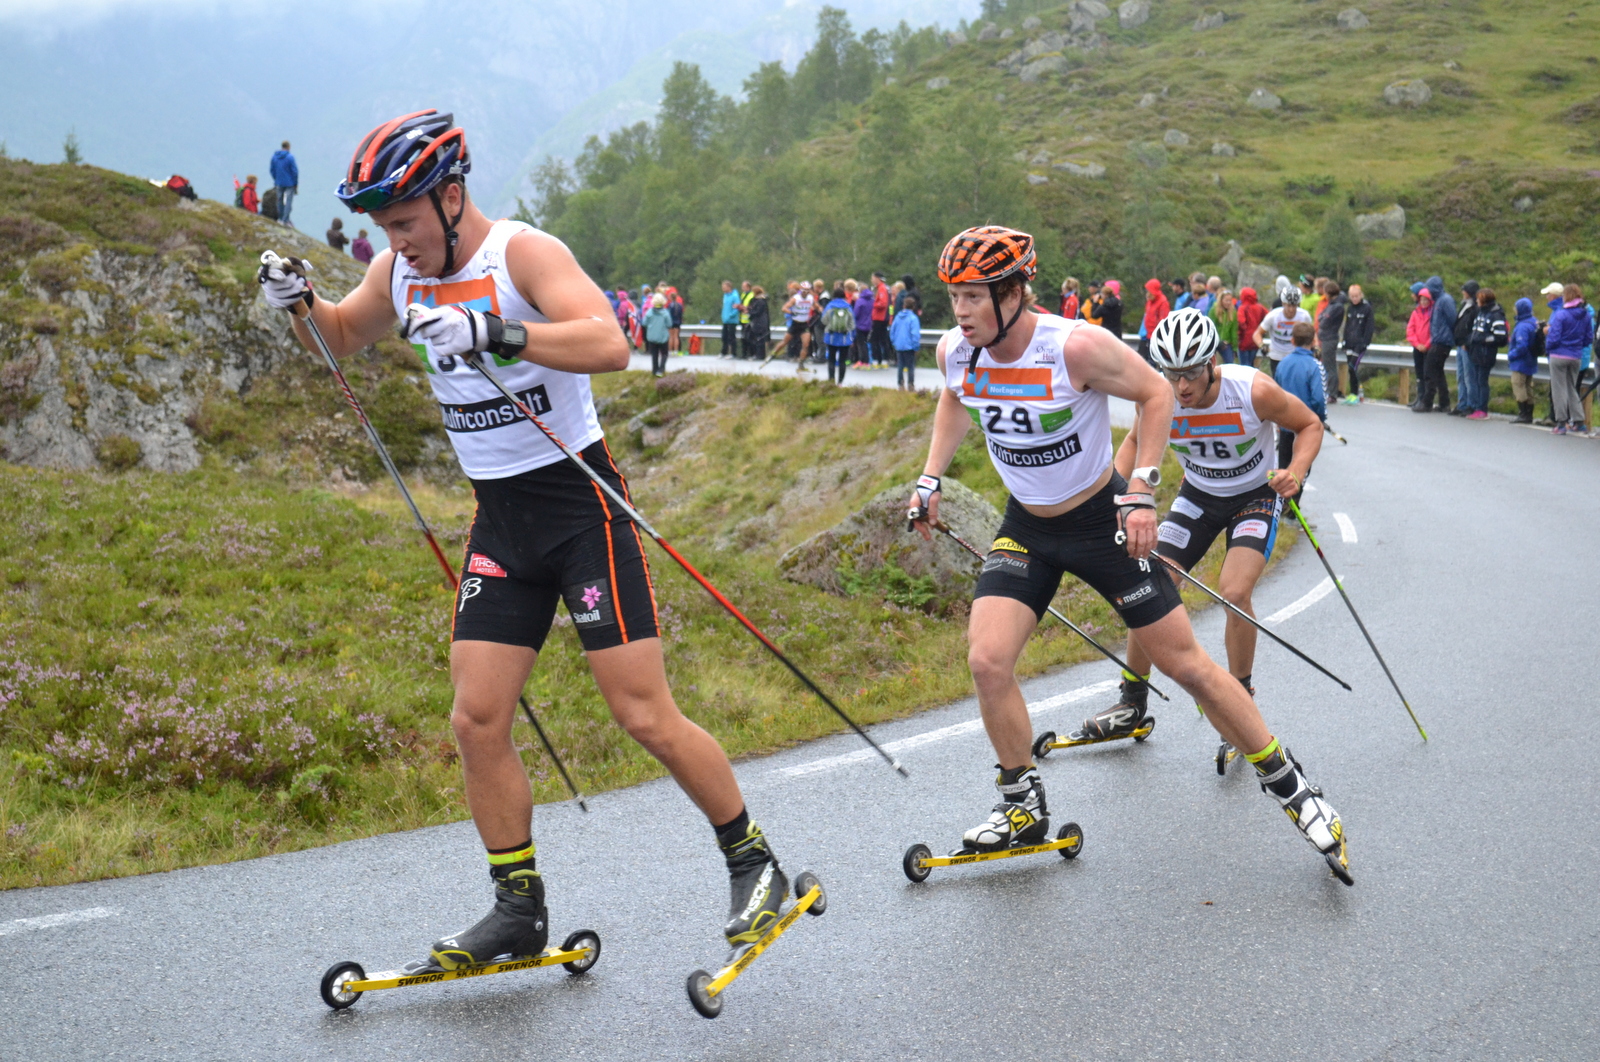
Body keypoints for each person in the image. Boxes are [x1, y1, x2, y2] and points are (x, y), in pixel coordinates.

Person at [258, 109, 791, 971]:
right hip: (501, 523)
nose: (394, 243)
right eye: (383, 228)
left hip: (581, 510)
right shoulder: (398, 273)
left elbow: (609, 343)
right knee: (476, 720)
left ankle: (754, 862)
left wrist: (495, 330)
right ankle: (517, 908)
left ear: (451, 198)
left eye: (404, 222)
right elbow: (341, 338)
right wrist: (302, 305)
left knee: (642, 712)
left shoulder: (522, 255)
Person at [907, 226, 1348, 883]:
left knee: (1186, 666)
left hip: (1099, 521)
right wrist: (930, 477)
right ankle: (1021, 805)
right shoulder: (957, 351)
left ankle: (1294, 789)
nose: (960, 311)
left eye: (973, 296)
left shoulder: (1075, 346)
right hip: (1027, 527)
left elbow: (1156, 392)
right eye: (954, 297)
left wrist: (1141, 488)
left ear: (1014, 293)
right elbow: (954, 397)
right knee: (987, 660)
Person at [1114, 309, 1324, 763]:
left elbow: (1309, 424)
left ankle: (1239, 698)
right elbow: (1133, 442)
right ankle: (1132, 700)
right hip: (1198, 496)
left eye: (1191, 372)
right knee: (1150, 583)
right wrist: (1118, 494)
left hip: (1255, 496)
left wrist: (1295, 472)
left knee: (1234, 591)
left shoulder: (1252, 391)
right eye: (1171, 373)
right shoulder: (1160, 397)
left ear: (1212, 363)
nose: (1181, 386)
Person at [1275, 321, 1327, 481]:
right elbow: (1318, 399)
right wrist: (1320, 419)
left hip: (1285, 424)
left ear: (1292, 341)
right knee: (1300, 471)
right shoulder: (1315, 366)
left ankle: (1281, 496)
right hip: (1305, 427)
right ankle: (1294, 495)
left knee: (1284, 467)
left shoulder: (1282, 364)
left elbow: (1276, 392)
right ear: (1313, 341)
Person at [1546, 283, 1589, 435]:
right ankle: (1579, 421)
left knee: (1559, 389)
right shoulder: (1585, 315)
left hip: (1559, 355)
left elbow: (1554, 337)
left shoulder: (1561, 315)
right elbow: (1588, 338)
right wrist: (1577, 347)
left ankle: (1561, 423)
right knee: (1572, 388)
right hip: (1575, 356)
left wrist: (1549, 348)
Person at [1463, 288, 1507, 419]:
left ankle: (1482, 409)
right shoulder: (1481, 313)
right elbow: (1475, 332)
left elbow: (1500, 337)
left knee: (1482, 382)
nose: (1476, 300)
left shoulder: (1495, 315)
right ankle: (1477, 407)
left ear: (1484, 300)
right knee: (1476, 380)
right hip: (1476, 352)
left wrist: (1482, 340)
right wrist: (1469, 341)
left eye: (1478, 298)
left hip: (1486, 353)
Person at [1254, 286, 1313, 378]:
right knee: (1278, 383)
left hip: (1296, 356)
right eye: (1288, 305)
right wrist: (1261, 345)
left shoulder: (1304, 316)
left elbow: (1313, 334)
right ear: (1283, 303)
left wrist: (1315, 346)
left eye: (1294, 306)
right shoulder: (1273, 316)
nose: (1291, 309)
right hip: (1277, 356)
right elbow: (1257, 334)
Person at [1419, 276, 1456, 412]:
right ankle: (1444, 403)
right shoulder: (1439, 300)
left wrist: (1447, 336)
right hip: (1439, 340)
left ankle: (1427, 402)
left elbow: (1452, 319)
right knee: (1438, 372)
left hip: (1442, 341)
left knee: (1429, 370)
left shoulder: (1445, 300)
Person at [1449, 281, 1481, 416]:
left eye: (1465, 290)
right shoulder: (1464, 305)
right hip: (1460, 345)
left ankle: (1471, 404)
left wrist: (1467, 343)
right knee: (1461, 376)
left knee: (1469, 377)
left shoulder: (1475, 308)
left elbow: (1474, 329)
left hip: (1467, 347)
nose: (1463, 292)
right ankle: (1462, 403)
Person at [1506, 297, 1540, 424]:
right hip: (1531, 360)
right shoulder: (1533, 322)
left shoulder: (1522, 326)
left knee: (1518, 385)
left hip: (1521, 362)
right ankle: (1529, 414)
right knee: (1528, 387)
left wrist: (1511, 355)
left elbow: (1522, 346)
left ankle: (1523, 413)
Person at [1340, 284, 1375, 403]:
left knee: (1352, 367)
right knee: (1350, 368)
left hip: (1360, 344)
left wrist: (1365, 343)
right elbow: (1347, 326)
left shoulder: (1367, 308)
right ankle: (1353, 393)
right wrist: (1344, 341)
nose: (1354, 298)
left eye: (1356, 296)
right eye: (1352, 296)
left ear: (1361, 295)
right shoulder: (1350, 308)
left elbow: (1369, 327)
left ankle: (1356, 393)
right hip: (1349, 342)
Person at [1316, 282, 1346, 401]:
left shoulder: (1337, 306)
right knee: (1325, 365)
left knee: (1329, 366)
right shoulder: (1332, 304)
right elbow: (1320, 317)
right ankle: (1327, 390)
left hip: (1330, 338)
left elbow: (1324, 322)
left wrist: (1323, 318)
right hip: (1324, 337)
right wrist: (1323, 317)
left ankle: (1332, 393)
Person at [1406, 283, 1433, 409]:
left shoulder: (1432, 313)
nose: (1423, 302)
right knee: (1419, 373)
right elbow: (1410, 330)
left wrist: (1426, 345)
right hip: (1418, 347)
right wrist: (1417, 344)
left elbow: (1435, 331)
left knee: (1427, 374)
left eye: (1425, 300)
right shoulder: (1416, 312)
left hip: (1428, 348)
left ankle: (1426, 399)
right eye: (1421, 300)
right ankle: (1420, 397)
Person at [820, 285, 855, 384]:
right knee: (842, 361)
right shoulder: (848, 307)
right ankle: (840, 382)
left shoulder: (830, 306)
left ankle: (831, 381)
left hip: (831, 337)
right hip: (844, 338)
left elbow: (823, 320)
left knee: (831, 359)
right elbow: (852, 324)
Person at [890, 294, 921, 391]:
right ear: (913, 306)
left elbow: (892, 331)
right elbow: (915, 334)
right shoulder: (913, 318)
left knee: (900, 365)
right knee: (910, 366)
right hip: (909, 346)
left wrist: (894, 342)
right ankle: (910, 385)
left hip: (899, 345)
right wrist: (916, 346)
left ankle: (900, 384)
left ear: (903, 305)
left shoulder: (897, 317)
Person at [784, 281, 815, 368]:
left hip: (798, 322)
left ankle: (796, 356)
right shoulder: (796, 298)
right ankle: (794, 355)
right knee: (795, 340)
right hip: (793, 321)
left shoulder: (799, 298)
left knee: (797, 341)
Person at [1235, 286, 1266, 369]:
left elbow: (1241, 322)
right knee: (1251, 365)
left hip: (1244, 340)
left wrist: (1241, 333)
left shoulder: (1242, 308)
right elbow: (1268, 317)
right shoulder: (1260, 307)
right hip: (1256, 340)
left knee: (1244, 366)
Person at [1140, 278, 1170, 361]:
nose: (1147, 294)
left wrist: (1159, 335)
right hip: (1148, 334)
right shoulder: (1150, 301)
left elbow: (1164, 321)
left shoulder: (1163, 302)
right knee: (1147, 359)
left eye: (1149, 291)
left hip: (1157, 336)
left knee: (1153, 360)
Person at [270, 140, 298, 227]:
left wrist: (276, 178)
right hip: (290, 183)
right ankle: (286, 220)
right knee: (288, 202)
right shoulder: (290, 157)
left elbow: (272, 170)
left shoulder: (274, 157)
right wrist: (295, 183)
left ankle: (280, 218)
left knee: (279, 200)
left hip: (279, 182)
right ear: (288, 147)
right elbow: (294, 171)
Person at [643, 292, 672, 376]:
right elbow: (669, 324)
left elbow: (644, 323)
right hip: (663, 337)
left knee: (654, 355)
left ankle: (654, 371)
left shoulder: (649, 313)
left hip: (652, 337)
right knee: (664, 354)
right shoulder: (665, 313)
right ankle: (661, 370)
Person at [870, 271, 892, 368]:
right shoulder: (883, 288)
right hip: (882, 317)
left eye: (873, 278)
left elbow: (883, 303)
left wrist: (873, 304)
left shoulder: (882, 288)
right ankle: (884, 360)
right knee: (882, 339)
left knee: (875, 339)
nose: (872, 280)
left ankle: (877, 360)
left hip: (880, 317)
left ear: (877, 278)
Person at [1211, 287, 1238, 363]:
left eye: (1230, 300)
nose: (1228, 303)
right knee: (1211, 363)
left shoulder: (1233, 313)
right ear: (1221, 300)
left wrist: (1234, 348)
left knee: (1230, 363)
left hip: (1226, 342)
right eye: (1226, 300)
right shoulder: (1214, 311)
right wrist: (1217, 341)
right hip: (1214, 342)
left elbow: (1234, 331)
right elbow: (1211, 327)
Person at [853, 278, 875, 369]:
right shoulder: (872, 300)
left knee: (861, 344)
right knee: (865, 342)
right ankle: (865, 360)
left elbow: (856, 313)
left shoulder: (860, 301)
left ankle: (863, 361)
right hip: (869, 324)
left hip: (860, 325)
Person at [746, 285, 771, 360]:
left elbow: (757, 312)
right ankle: (758, 354)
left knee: (759, 339)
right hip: (759, 322)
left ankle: (760, 355)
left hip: (760, 323)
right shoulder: (758, 300)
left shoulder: (760, 301)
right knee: (757, 339)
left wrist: (749, 312)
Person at [720, 280, 740, 358]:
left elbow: (737, 308)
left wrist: (730, 315)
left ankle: (733, 353)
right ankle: (724, 352)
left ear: (729, 287)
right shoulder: (725, 296)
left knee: (731, 337)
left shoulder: (735, 296)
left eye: (724, 287)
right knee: (724, 336)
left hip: (732, 320)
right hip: (725, 320)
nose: (723, 289)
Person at [739, 280, 755, 358]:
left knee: (749, 338)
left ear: (748, 287)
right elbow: (742, 303)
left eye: (744, 286)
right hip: (743, 319)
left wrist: (746, 308)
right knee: (743, 338)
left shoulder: (752, 295)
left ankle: (751, 354)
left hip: (749, 320)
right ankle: (744, 354)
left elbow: (752, 306)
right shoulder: (743, 294)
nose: (742, 288)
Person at [666, 287, 684, 355]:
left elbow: (668, 314)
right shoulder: (680, 305)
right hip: (677, 322)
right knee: (676, 337)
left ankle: (670, 351)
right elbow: (681, 314)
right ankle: (676, 351)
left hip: (671, 322)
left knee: (671, 337)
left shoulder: (670, 305)